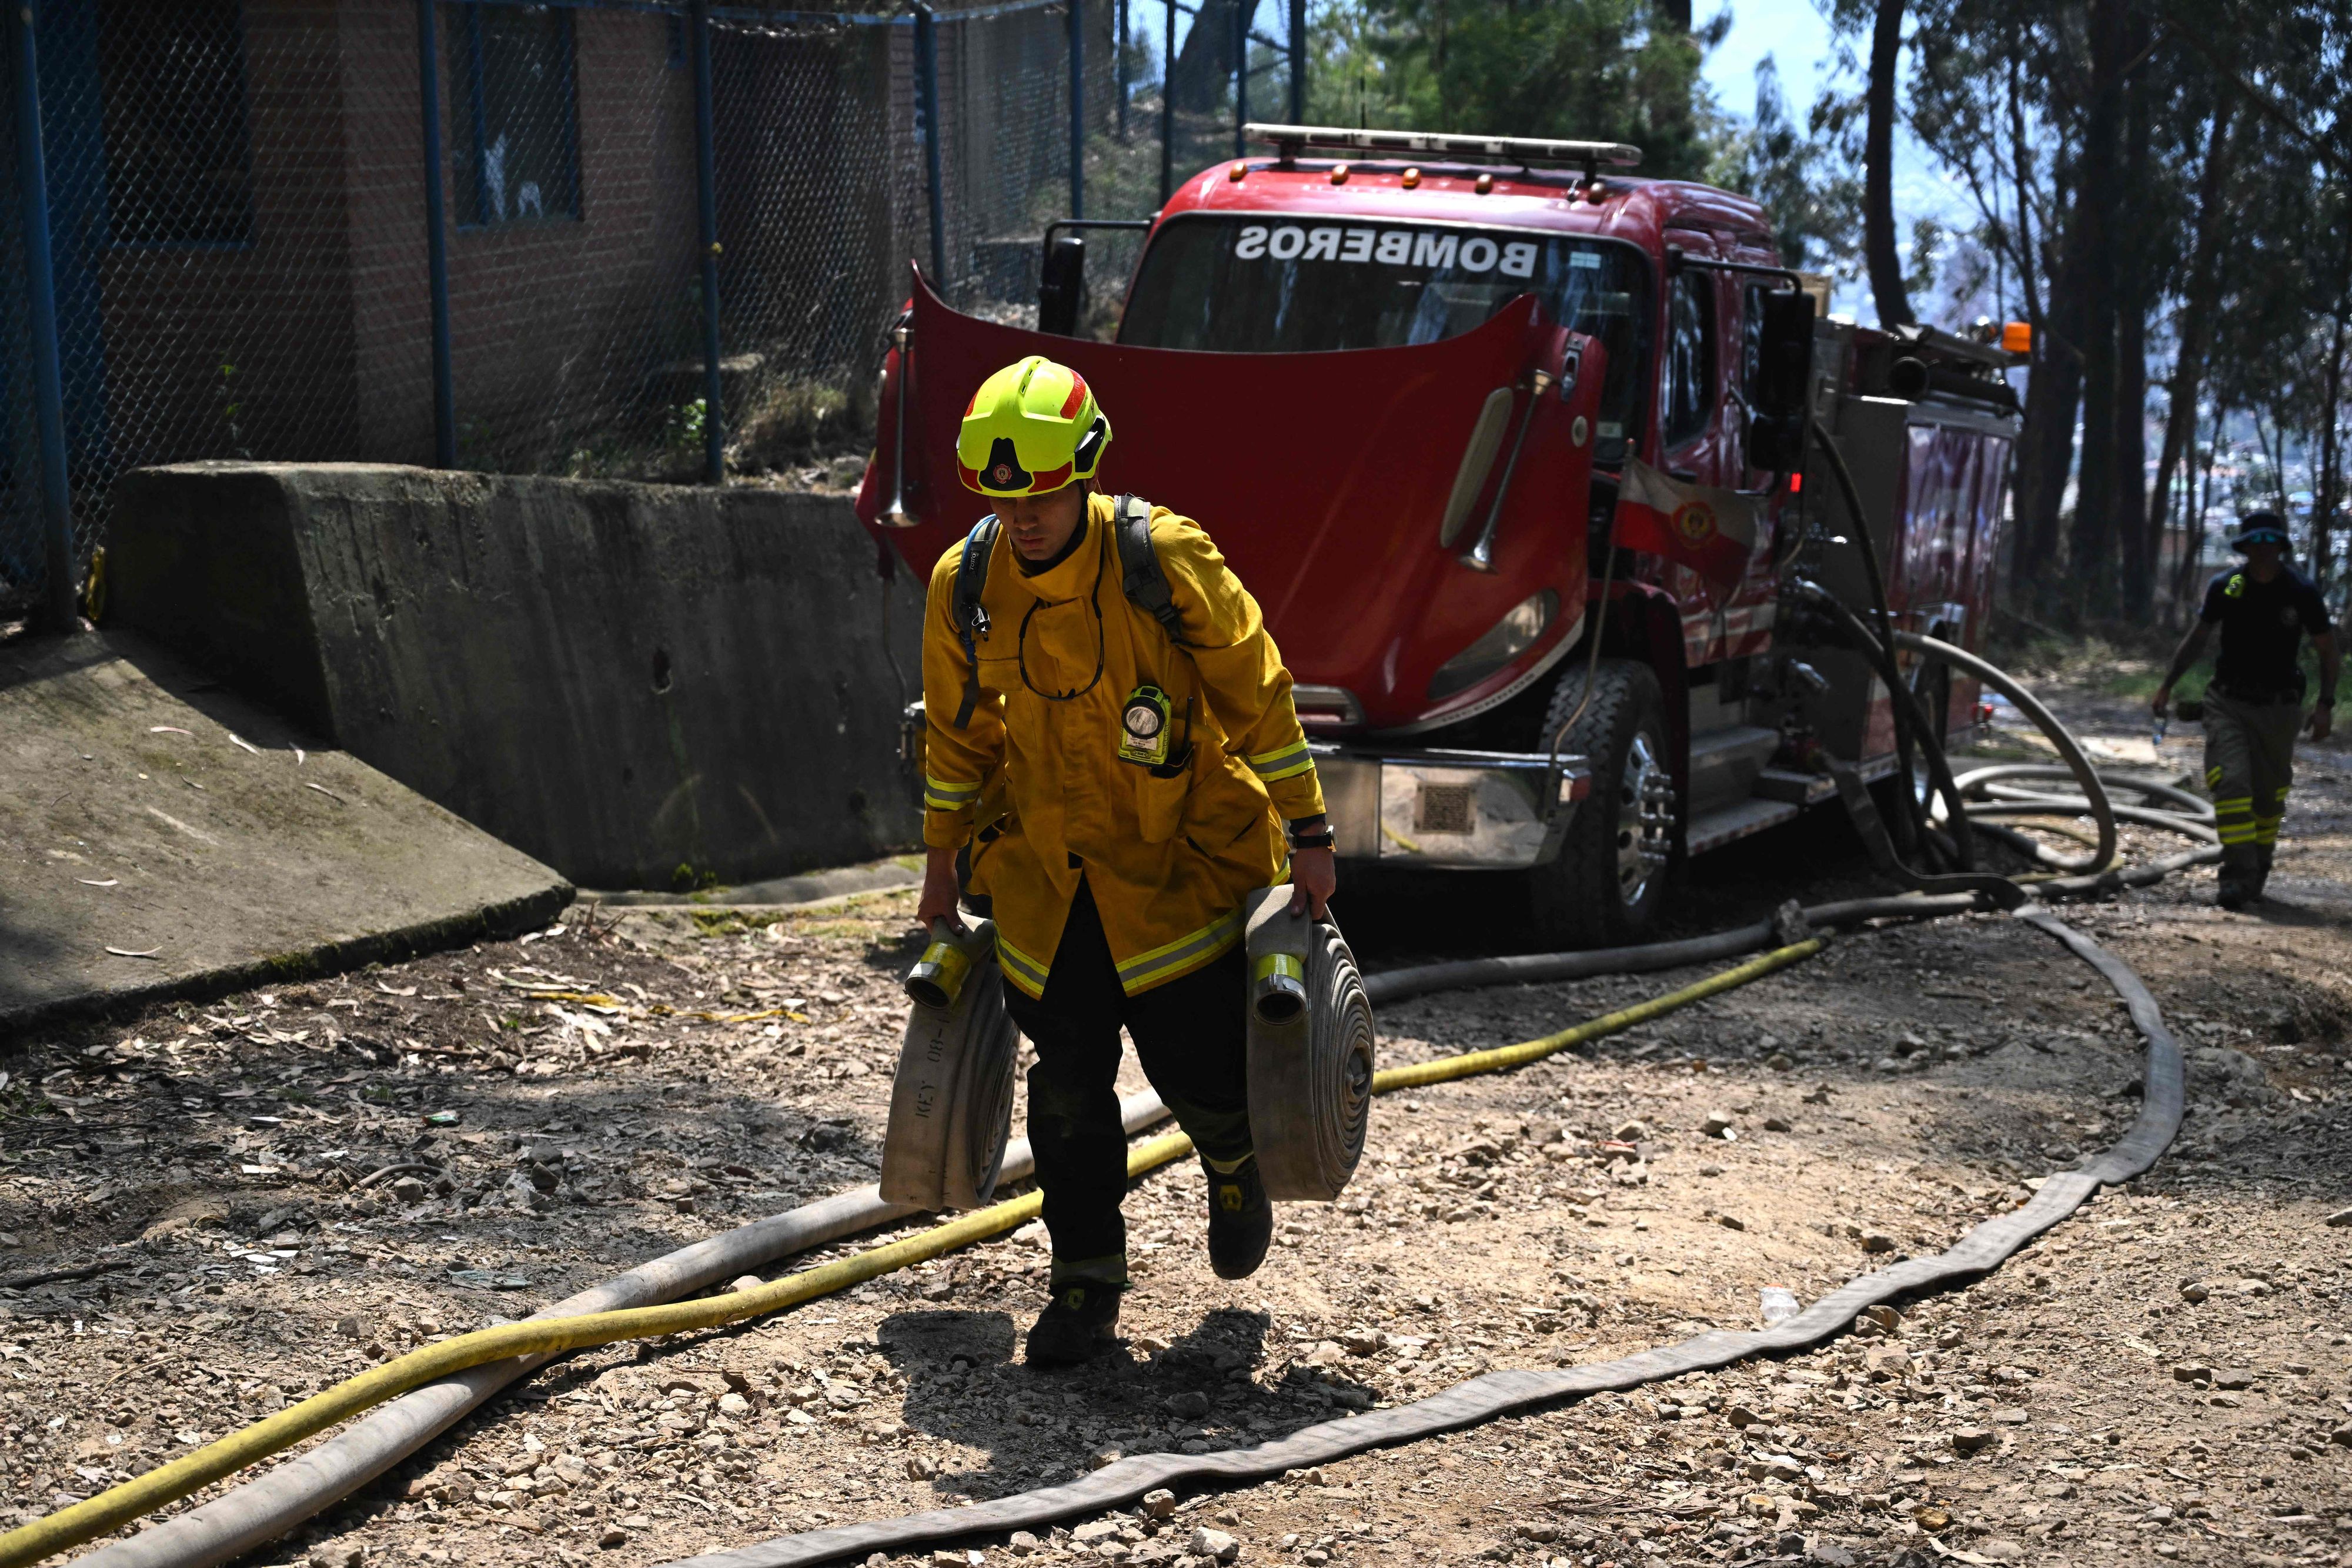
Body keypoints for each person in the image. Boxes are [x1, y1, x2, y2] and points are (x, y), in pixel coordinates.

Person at [916, 355, 1337, 1365]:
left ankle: (1231, 1156)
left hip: (1175, 869)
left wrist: (1310, 832)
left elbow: (1257, 692)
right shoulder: (965, 585)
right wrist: (938, 866)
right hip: (1046, 883)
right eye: (1005, 496)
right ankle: (1085, 1284)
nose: (1024, 518)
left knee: (1192, 1062)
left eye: (1045, 495)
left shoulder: (1164, 558)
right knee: (1064, 1091)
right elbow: (957, 734)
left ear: (1086, 473)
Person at [2153, 511, 2338, 908]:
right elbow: (2199, 637)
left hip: (2279, 708)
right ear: (2246, 548)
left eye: (2270, 543)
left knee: (2268, 799)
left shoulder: (2300, 591)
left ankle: (2258, 868)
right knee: (2232, 783)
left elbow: (2327, 650)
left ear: (2281, 547)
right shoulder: (2229, 587)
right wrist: (2167, 685)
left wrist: (2325, 704)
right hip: (2227, 703)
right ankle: (2236, 875)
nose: (2262, 551)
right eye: (2255, 543)